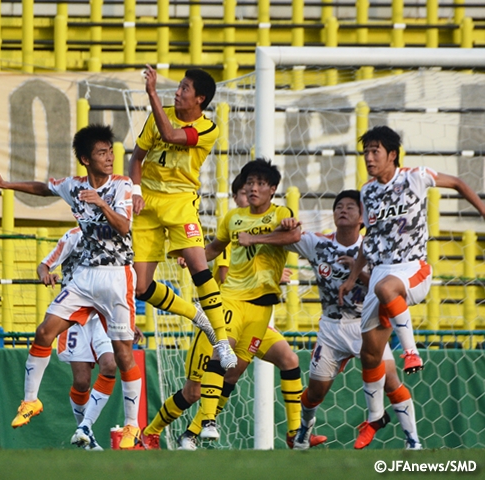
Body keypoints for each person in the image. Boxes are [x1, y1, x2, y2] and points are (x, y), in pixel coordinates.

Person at [0, 124, 144, 450]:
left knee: (124, 355)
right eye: (102, 152)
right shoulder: (74, 185)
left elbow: (124, 227)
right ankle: (30, 401)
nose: (109, 157)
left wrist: (101, 203)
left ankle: (130, 426)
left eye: (110, 151)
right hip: (84, 276)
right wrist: (6, 184)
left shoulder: (122, 185)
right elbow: (44, 188)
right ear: (86, 159)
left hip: (116, 275)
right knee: (44, 332)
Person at [141, 159, 319, 450]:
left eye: (260, 183)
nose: (252, 188)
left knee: (242, 371)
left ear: (273, 189)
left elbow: (293, 233)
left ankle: (195, 432)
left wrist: (258, 238)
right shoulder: (233, 218)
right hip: (230, 301)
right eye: (249, 183)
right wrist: (194, 256)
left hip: (262, 310)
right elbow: (214, 248)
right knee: (199, 385)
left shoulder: (281, 215)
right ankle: (164, 429)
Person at [338, 125, 485, 449]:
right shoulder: (368, 192)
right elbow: (370, 240)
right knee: (370, 354)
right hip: (381, 272)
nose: (369, 157)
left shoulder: (416, 176)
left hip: (413, 268)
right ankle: (378, 418)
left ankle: (410, 351)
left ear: (392, 154)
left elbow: (459, 183)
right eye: (365, 152)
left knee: (386, 290)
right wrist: (353, 277)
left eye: (375, 151)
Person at [275, 190, 421, 450]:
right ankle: (303, 433)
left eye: (350, 207)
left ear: (362, 217)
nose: (343, 210)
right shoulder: (318, 244)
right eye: (338, 206)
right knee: (315, 392)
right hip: (331, 328)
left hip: (368, 324)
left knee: (391, 380)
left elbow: (386, 287)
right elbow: (284, 238)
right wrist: (284, 224)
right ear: (333, 215)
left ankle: (413, 441)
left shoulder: (376, 250)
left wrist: (358, 270)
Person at [129, 65, 237, 372]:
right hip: (147, 204)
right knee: (140, 288)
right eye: (178, 86)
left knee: (199, 268)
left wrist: (151, 91)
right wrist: (135, 189)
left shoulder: (208, 128)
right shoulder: (158, 115)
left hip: (180, 202)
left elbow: (171, 135)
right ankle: (195, 315)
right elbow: (137, 158)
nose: (177, 92)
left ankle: (222, 342)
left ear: (199, 98)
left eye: (184, 88)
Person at [38, 227, 116, 451]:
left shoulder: (115, 238)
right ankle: (85, 435)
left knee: (110, 364)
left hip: (103, 310)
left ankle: (85, 428)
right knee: (82, 381)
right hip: (74, 312)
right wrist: (45, 274)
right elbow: (44, 264)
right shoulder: (73, 236)